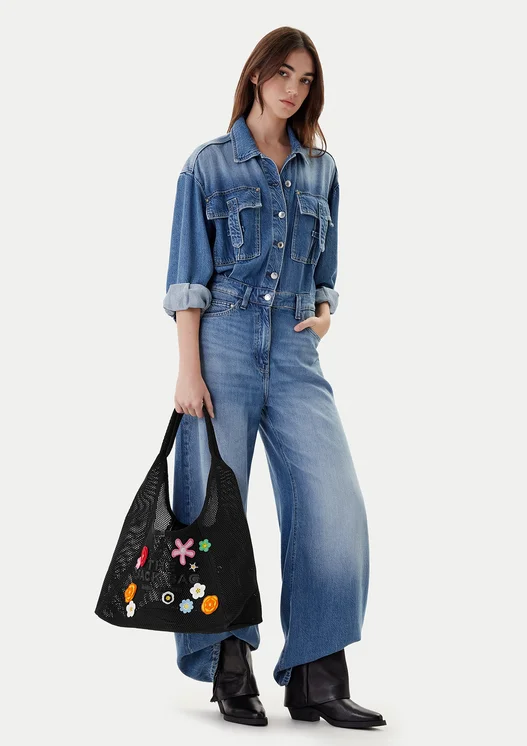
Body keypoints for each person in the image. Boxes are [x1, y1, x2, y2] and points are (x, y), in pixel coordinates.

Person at [163, 26, 387, 730]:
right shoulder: (208, 165)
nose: (294, 88)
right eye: (283, 73)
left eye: (306, 79)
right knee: (214, 507)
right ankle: (229, 666)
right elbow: (186, 279)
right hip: (222, 345)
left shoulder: (321, 169)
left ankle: (318, 675)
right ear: (257, 74)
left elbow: (326, 271)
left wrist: (323, 314)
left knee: (333, 504)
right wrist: (188, 371)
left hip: (295, 354)